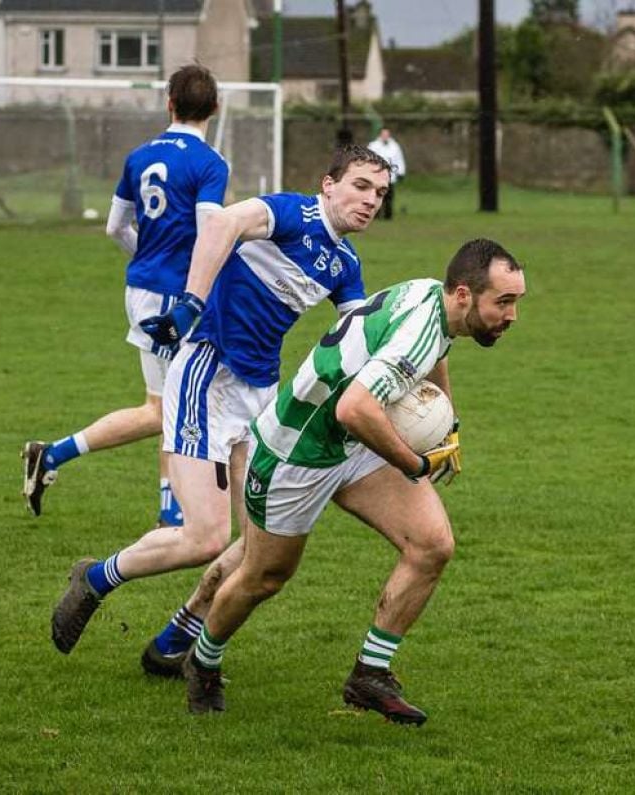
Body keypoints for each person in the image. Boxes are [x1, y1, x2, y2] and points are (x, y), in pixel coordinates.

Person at [50, 144, 392, 659]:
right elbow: (218, 226)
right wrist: (191, 303)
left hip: (261, 398)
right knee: (204, 538)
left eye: (381, 193)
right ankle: (96, 578)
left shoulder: (345, 263)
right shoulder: (289, 212)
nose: (371, 200)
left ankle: (177, 636)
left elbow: (360, 336)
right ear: (329, 184)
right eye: (361, 186)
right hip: (208, 375)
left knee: (261, 542)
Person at [181, 238, 526, 723]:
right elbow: (355, 407)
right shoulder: (419, 333)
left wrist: (447, 422)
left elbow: (436, 352)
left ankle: (370, 673)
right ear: (466, 295)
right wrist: (414, 462)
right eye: (504, 302)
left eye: (516, 301)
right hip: (295, 450)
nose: (511, 315)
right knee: (264, 576)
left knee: (431, 545)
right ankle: (202, 660)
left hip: (351, 442)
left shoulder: (436, 297)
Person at [22, 63, 228, 527]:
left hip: (140, 288)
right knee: (174, 406)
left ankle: (54, 457)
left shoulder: (139, 157)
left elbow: (115, 226)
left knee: (165, 407)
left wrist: (147, 254)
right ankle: (170, 513)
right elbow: (211, 229)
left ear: (169, 103)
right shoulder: (209, 164)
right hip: (175, 299)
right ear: (215, 107)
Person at [368, 127, 405, 220]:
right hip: (376, 175)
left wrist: (401, 172)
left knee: (389, 196)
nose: (385, 136)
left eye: (387, 134)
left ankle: (388, 215)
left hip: (390, 175)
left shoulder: (394, 146)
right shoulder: (373, 146)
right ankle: (376, 214)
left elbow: (399, 159)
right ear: (380, 135)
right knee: (376, 195)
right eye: (383, 134)